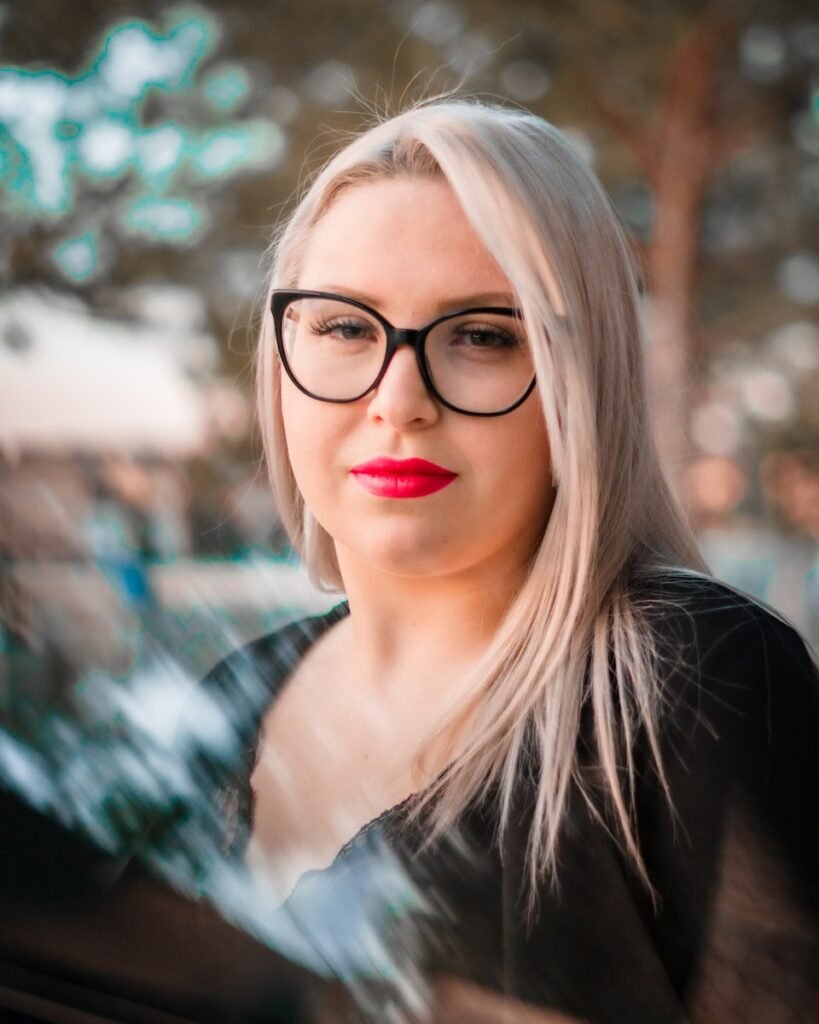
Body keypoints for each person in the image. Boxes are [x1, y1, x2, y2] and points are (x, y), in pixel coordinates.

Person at [198, 100, 819, 1023]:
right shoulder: (227, 699)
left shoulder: (693, 684)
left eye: (483, 335)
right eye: (344, 329)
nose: (398, 400)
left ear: (581, 380)